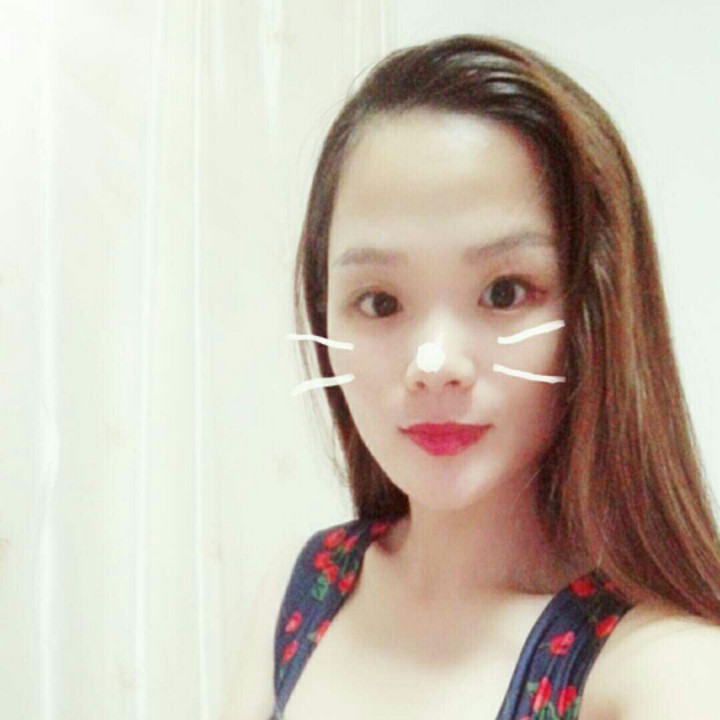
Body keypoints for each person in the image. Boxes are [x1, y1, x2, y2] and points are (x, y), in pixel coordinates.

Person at [229, 35, 720, 720]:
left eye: (504, 292)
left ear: (595, 313)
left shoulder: (659, 669)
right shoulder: (299, 597)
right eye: (380, 302)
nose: (433, 366)